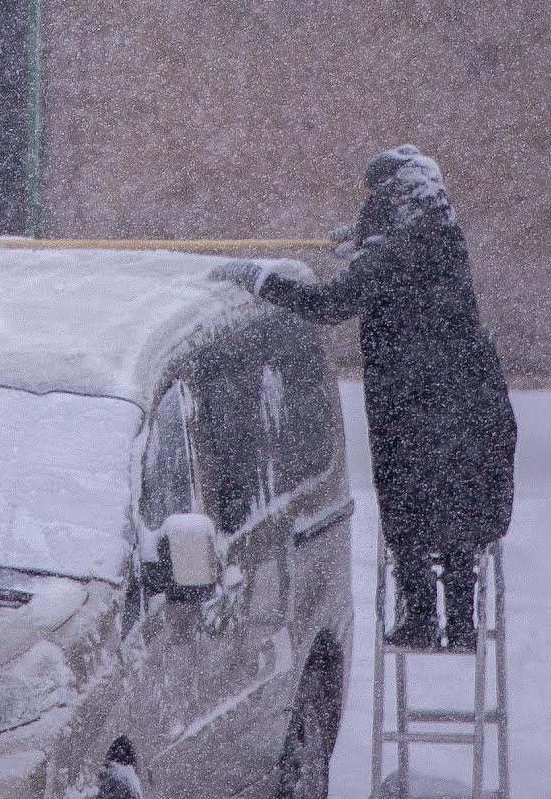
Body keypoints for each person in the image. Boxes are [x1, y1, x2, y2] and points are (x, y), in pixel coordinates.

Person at [213, 145, 516, 652]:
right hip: (466, 401)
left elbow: (329, 304)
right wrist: (364, 244)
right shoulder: (440, 235)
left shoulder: (396, 252)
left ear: (393, 196)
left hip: (415, 405)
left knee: (412, 503)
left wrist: (263, 281)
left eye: (373, 194)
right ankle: (460, 620)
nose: (367, 201)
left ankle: (421, 617)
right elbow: (398, 268)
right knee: (454, 504)